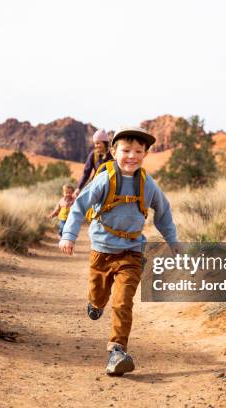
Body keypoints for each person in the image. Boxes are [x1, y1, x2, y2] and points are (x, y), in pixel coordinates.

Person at [58, 127, 178, 376]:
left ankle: (117, 351)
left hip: (132, 252)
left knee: (123, 302)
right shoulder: (105, 178)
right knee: (99, 294)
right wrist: (68, 235)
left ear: (145, 154)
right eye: (126, 150)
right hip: (101, 250)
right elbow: (80, 207)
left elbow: (163, 213)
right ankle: (95, 303)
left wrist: (174, 241)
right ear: (114, 151)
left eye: (138, 151)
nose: (132, 156)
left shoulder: (147, 184)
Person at [73, 129, 114, 198]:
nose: (96, 146)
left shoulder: (113, 154)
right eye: (95, 143)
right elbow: (86, 173)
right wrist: (78, 188)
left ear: (105, 142)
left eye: (98, 143)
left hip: (112, 186)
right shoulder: (93, 155)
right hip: (96, 186)